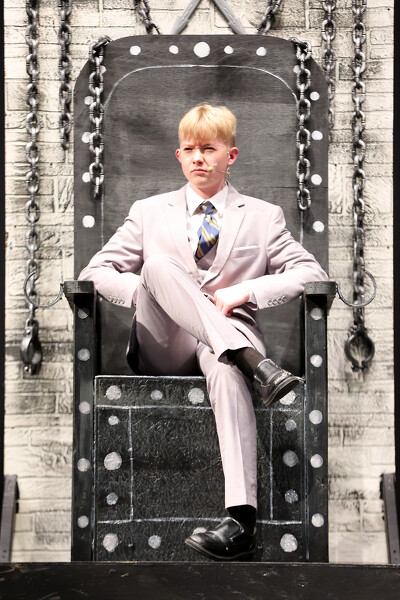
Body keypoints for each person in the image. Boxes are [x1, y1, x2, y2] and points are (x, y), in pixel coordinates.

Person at [79, 104, 328, 561]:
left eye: (209, 149)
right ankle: (255, 363)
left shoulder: (263, 216)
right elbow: (95, 273)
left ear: (230, 155)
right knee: (157, 266)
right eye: (190, 150)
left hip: (225, 337)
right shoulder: (148, 212)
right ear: (178, 155)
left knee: (227, 367)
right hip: (164, 341)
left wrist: (245, 291)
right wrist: (152, 292)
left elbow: (311, 273)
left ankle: (241, 522)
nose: (199, 158)